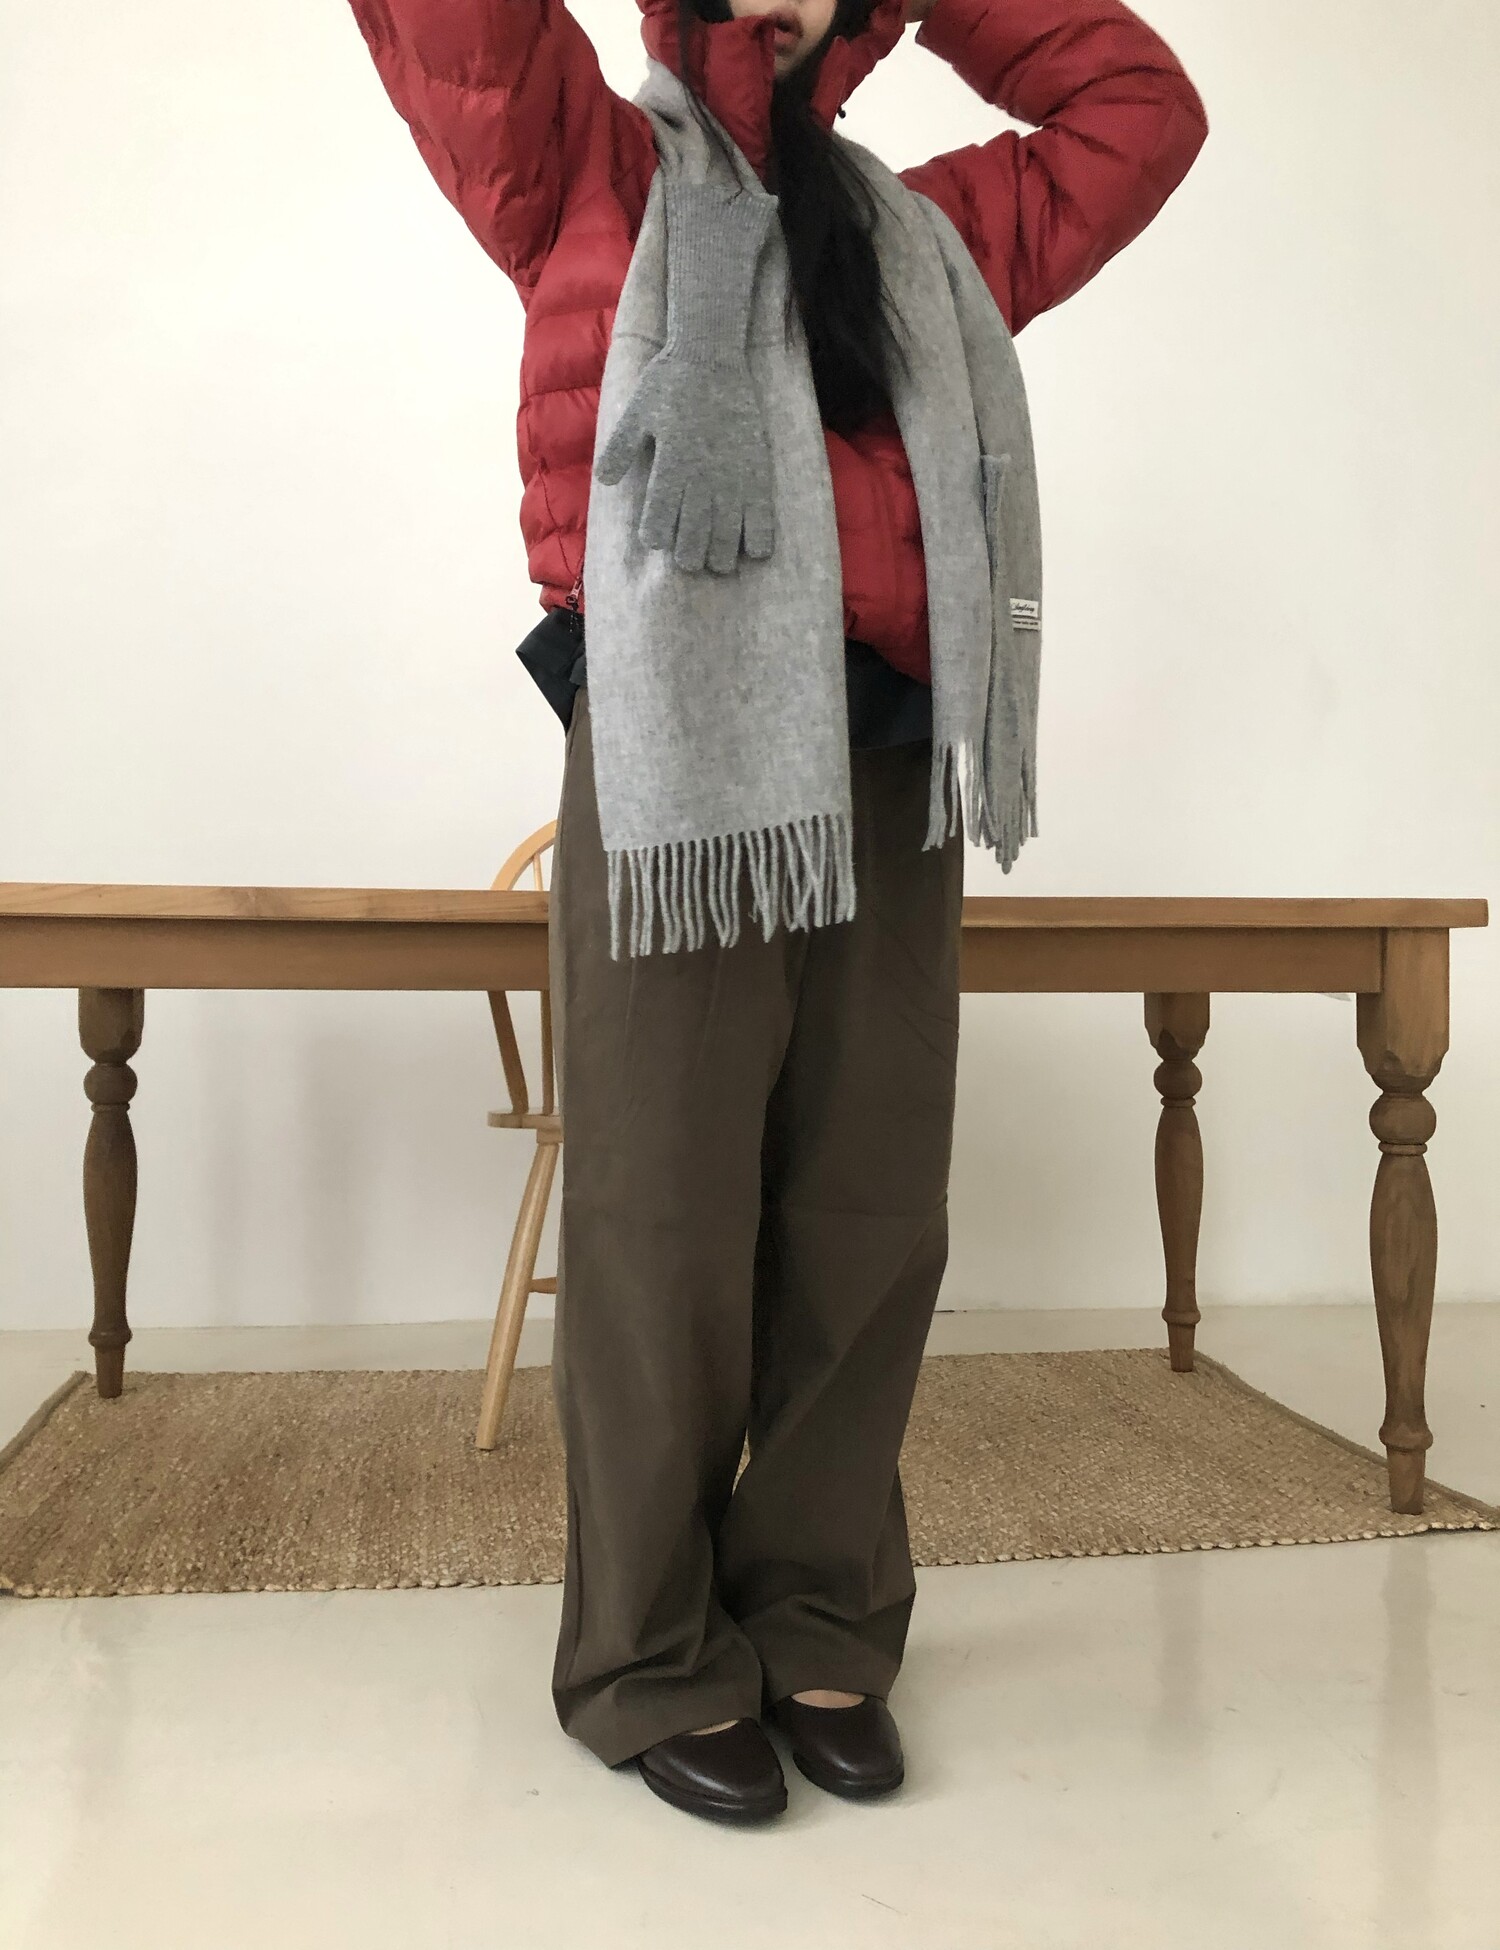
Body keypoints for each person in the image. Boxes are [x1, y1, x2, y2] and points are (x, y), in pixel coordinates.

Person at [346, 0, 1207, 1824]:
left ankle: (817, 1611)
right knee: (661, 1208)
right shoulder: (585, 167)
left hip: (892, 752)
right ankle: (649, 1651)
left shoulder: (929, 232)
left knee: (867, 1205)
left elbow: (1142, 108)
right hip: (677, 766)